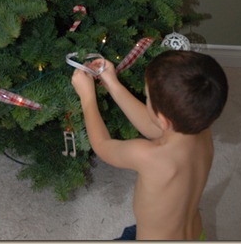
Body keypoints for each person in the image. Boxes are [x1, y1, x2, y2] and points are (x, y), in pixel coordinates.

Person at [71, 49, 228, 240]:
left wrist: (87, 97)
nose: (147, 100)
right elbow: (151, 126)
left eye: (147, 97)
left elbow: (102, 145)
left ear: (163, 120)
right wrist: (112, 83)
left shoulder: (148, 155)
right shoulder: (201, 130)